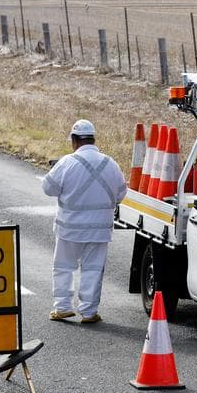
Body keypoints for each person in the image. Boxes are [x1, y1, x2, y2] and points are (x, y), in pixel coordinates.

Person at [42, 119, 127, 324]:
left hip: (69, 228)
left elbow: (48, 188)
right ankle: (89, 312)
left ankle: (62, 308)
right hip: (99, 230)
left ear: (74, 140)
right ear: (92, 139)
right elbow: (121, 193)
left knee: (63, 267)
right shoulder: (110, 163)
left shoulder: (67, 162)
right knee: (93, 269)